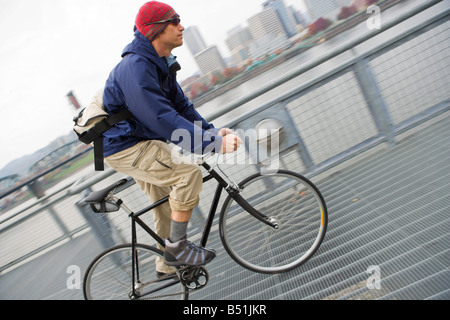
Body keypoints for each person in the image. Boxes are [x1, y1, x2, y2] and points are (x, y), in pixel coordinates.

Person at [102, 1, 242, 275]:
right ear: (155, 29)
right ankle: (177, 248)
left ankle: (166, 267)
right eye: (174, 20)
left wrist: (210, 132)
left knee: (166, 202)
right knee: (187, 175)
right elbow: (161, 118)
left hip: (139, 140)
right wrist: (212, 144)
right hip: (126, 145)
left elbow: (181, 108)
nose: (182, 26)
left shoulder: (161, 64)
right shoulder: (136, 68)